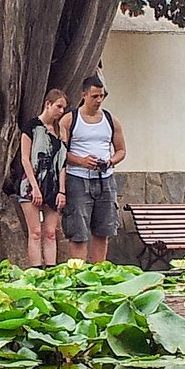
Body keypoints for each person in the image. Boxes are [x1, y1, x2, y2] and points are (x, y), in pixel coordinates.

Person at [61, 75, 127, 264]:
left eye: (101, 96)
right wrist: (81, 161)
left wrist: (110, 161)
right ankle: (79, 271)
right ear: (84, 95)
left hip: (105, 179)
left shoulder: (110, 120)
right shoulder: (70, 119)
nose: (98, 100)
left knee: (103, 229)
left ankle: (98, 269)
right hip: (78, 178)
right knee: (78, 230)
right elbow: (61, 152)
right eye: (94, 96)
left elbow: (121, 150)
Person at [17, 89, 70, 267]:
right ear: (48, 104)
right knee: (35, 232)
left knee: (50, 233)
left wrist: (62, 190)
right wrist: (34, 187)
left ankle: (52, 270)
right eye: (58, 106)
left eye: (63, 108)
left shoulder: (61, 131)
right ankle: (36, 270)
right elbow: (25, 158)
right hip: (31, 183)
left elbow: (62, 163)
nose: (61, 111)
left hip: (53, 185)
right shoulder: (31, 127)